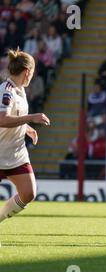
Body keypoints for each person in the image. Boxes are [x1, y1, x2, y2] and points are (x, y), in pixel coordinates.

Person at [0, 48, 51, 225]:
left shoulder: (20, 90)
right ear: (28, 72)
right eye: (33, 72)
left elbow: (14, 116)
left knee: (28, 193)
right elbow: (2, 119)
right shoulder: (6, 91)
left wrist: (26, 127)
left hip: (16, 153)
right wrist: (32, 118)